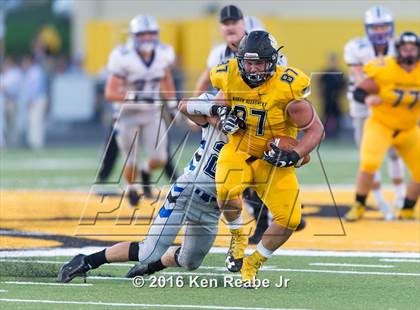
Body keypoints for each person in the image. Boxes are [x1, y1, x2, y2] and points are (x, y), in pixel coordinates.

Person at [189, 31, 324, 286]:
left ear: (272, 62)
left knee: (290, 220)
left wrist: (294, 154)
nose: (252, 68)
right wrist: (220, 118)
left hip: (273, 156)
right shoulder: (228, 74)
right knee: (226, 191)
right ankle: (238, 235)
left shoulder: (287, 86)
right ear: (240, 60)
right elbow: (214, 111)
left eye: (259, 62)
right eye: (248, 62)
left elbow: (316, 129)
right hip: (239, 148)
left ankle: (254, 262)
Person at [57, 92, 226, 283]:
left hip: (213, 207)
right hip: (187, 193)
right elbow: (186, 106)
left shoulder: (261, 124)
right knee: (148, 251)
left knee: (190, 261)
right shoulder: (220, 102)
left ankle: (150, 266)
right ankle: (85, 261)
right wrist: (217, 114)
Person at [104, 15, 178, 205]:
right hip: (126, 114)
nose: (147, 38)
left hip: (152, 112)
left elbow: (165, 78)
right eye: (142, 34)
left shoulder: (164, 53)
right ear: (133, 36)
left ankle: (146, 171)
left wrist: (171, 103)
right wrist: (132, 96)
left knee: (160, 158)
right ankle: (131, 187)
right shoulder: (122, 57)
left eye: (150, 34)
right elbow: (110, 92)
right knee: (131, 159)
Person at [346, 31, 419, 221]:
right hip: (381, 125)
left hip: (409, 128)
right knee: (369, 164)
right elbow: (359, 91)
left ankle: (408, 209)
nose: (409, 52)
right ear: (398, 50)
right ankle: (359, 204)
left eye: (413, 49)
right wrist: (368, 98)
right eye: (405, 48)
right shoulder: (385, 68)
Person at [20, 54, 48, 150]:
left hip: (37, 99)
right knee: (34, 121)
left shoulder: (34, 71)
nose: (23, 64)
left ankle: (36, 144)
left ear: (29, 61)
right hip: (37, 99)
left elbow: (35, 87)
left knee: (35, 121)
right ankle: (34, 143)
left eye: (25, 62)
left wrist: (31, 100)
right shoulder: (32, 71)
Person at [319, 53, 346, 138]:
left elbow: (343, 85)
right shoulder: (325, 73)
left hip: (336, 98)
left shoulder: (340, 73)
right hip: (327, 97)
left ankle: (337, 132)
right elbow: (320, 84)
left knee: (337, 114)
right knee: (326, 114)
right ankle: (324, 133)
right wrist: (320, 94)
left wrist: (341, 95)